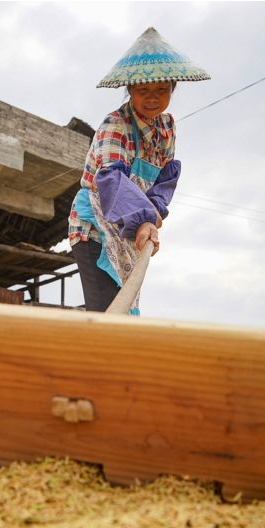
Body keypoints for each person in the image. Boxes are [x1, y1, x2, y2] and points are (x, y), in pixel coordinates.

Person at [68, 27, 210, 315]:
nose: (152, 98)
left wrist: (153, 213)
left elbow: (164, 180)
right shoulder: (115, 124)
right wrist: (142, 219)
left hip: (128, 231)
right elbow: (112, 180)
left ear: (172, 88)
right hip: (95, 226)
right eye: (143, 91)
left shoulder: (167, 128)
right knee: (106, 310)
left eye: (161, 90)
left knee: (125, 310)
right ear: (130, 90)